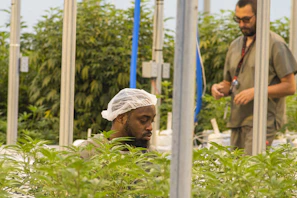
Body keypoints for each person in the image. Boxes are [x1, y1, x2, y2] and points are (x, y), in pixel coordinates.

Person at [211, 0, 297, 155]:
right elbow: (228, 82)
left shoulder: (274, 44)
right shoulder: (235, 45)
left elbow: (290, 87)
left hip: (262, 120)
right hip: (238, 120)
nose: (242, 25)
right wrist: (218, 88)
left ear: (260, 16)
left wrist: (256, 92)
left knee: (251, 170)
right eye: (238, 20)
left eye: (246, 20)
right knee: (235, 170)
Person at [79, 88, 157, 158]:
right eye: (143, 120)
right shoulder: (88, 153)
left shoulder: (152, 157)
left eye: (152, 121)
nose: (150, 127)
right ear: (121, 118)